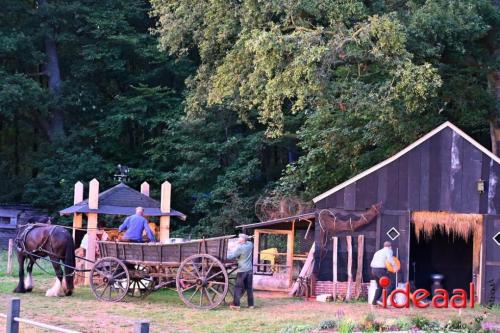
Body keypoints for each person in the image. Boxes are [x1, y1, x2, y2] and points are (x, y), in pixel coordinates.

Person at [227, 233, 254, 309]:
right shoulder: (250, 245)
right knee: (249, 288)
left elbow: (230, 256)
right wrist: (241, 241)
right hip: (249, 269)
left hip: (242, 270)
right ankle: (251, 305)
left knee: (238, 287)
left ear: (242, 240)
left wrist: (225, 253)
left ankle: (236, 305)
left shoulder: (240, 248)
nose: (238, 239)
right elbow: (248, 241)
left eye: (239, 238)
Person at [370, 241, 396, 306]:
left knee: (380, 286)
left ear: (384, 246)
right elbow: (390, 259)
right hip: (380, 270)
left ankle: (374, 302)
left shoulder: (378, 252)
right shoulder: (389, 250)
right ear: (390, 246)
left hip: (373, 270)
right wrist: (395, 267)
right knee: (390, 285)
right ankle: (381, 301)